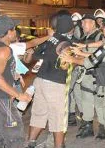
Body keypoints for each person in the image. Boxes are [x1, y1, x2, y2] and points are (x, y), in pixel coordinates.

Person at [61, 17, 105, 148]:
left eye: (103, 28)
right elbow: (99, 57)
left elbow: (89, 63)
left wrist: (71, 58)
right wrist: (82, 52)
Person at [0, 15, 32, 148]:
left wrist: (11, 74)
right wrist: (19, 95)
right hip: (2, 101)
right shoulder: (5, 49)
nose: (15, 32)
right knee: (16, 140)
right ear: (9, 32)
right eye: (14, 29)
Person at [26, 11, 74, 148]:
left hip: (40, 81)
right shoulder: (67, 44)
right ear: (70, 26)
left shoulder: (50, 39)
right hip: (55, 83)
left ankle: (31, 142)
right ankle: (59, 145)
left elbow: (35, 54)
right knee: (58, 117)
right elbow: (67, 65)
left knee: (39, 113)